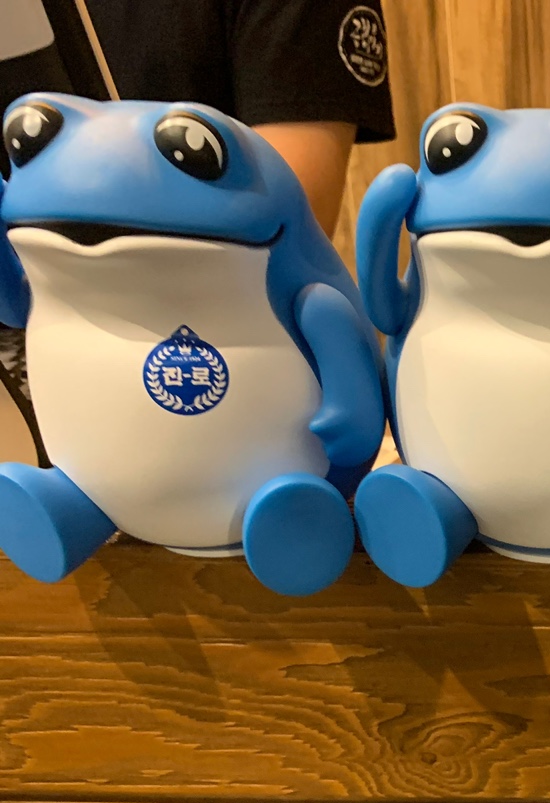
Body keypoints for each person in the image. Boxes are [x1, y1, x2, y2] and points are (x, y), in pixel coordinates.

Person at [0, 0, 395, 463]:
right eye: (28, 140)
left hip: (252, 423)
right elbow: (14, 302)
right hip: (68, 421)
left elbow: (294, 251)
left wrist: (352, 421)